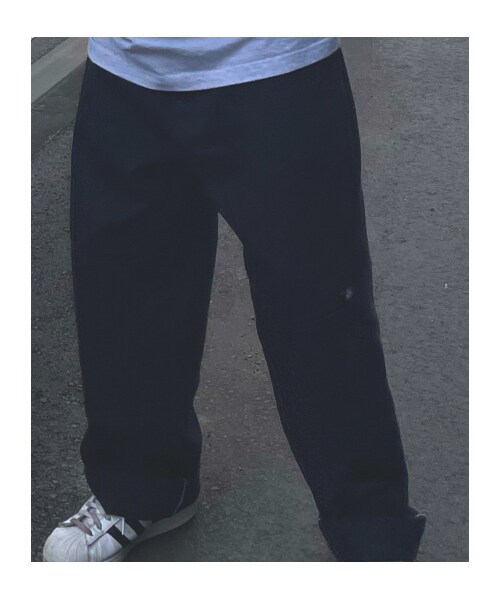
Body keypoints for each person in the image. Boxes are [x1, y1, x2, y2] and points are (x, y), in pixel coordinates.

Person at [42, 37, 426, 562]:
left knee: (318, 313)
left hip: (276, 66)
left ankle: (372, 537)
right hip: (125, 68)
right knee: (127, 297)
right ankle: (146, 488)